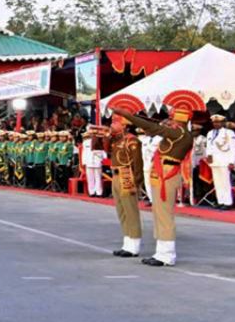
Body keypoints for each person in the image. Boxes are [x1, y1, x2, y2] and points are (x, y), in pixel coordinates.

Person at [111, 107, 195, 266]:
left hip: (167, 173)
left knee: (164, 214)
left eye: (172, 118)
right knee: (158, 212)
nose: (169, 121)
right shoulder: (178, 134)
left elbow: (153, 127)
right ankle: (161, 251)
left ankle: (167, 254)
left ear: (180, 120)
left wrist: (128, 115)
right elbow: (154, 130)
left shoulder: (181, 134)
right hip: (161, 171)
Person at [103, 120, 144, 257]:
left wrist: (137, 181)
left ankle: (135, 244)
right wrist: (104, 136)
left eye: (115, 123)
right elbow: (101, 148)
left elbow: (138, 162)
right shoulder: (115, 139)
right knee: (121, 210)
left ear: (124, 125)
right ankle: (127, 242)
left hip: (127, 175)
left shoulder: (132, 140)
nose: (111, 125)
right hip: (115, 175)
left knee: (130, 210)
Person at [204, 114, 235, 208]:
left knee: (225, 182)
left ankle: (227, 202)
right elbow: (209, 146)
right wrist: (208, 155)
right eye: (214, 122)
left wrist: (231, 161)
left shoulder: (229, 133)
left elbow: (233, 148)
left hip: (225, 161)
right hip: (214, 161)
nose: (216, 124)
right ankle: (220, 201)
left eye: (218, 122)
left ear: (223, 123)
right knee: (217, 182)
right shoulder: (210, 133)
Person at [83, 126, 107, 197]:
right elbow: (84, 152)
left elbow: (103, 152)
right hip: (89, 161)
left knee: (98, 177)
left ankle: (99, 192)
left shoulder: (100, 141)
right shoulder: (86, 142)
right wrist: (84, 162)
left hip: (97, 161)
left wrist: (102, 158)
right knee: (90, 177)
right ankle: (91, 192)